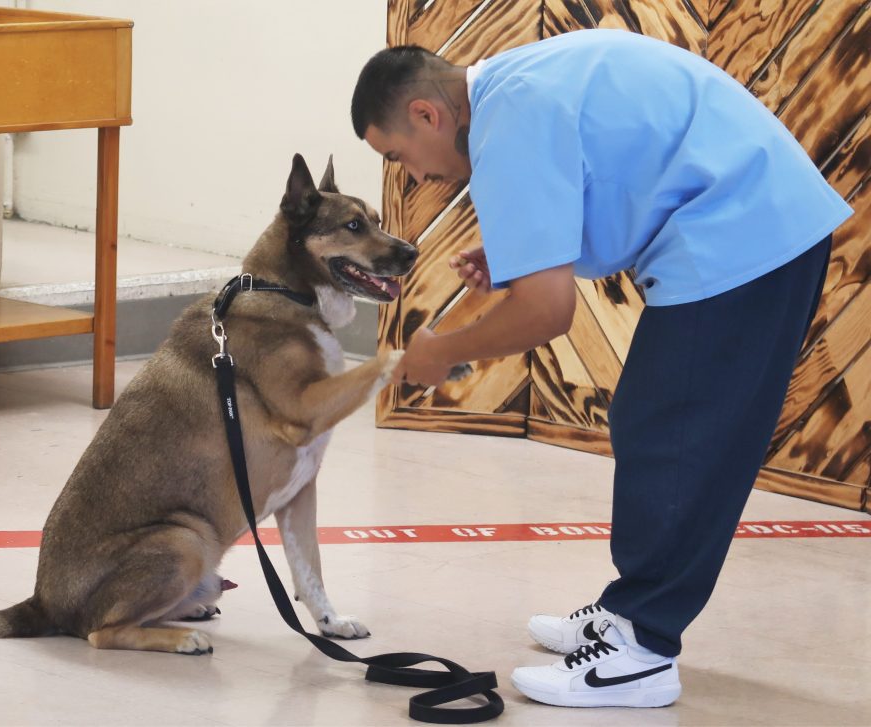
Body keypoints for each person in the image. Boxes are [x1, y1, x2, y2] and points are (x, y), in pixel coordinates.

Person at [349, 29, 853, 708]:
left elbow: (548, 313)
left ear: (427, 115)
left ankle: (642, 649)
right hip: (746, 220)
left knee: (671, 432)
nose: (413, 174)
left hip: (746, 232)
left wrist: (445, 349)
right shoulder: (510, 88)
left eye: (398, 155)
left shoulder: (506, 126)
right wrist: (523, 254)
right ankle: (628, 610)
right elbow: (605, 173)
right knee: (652, 418)